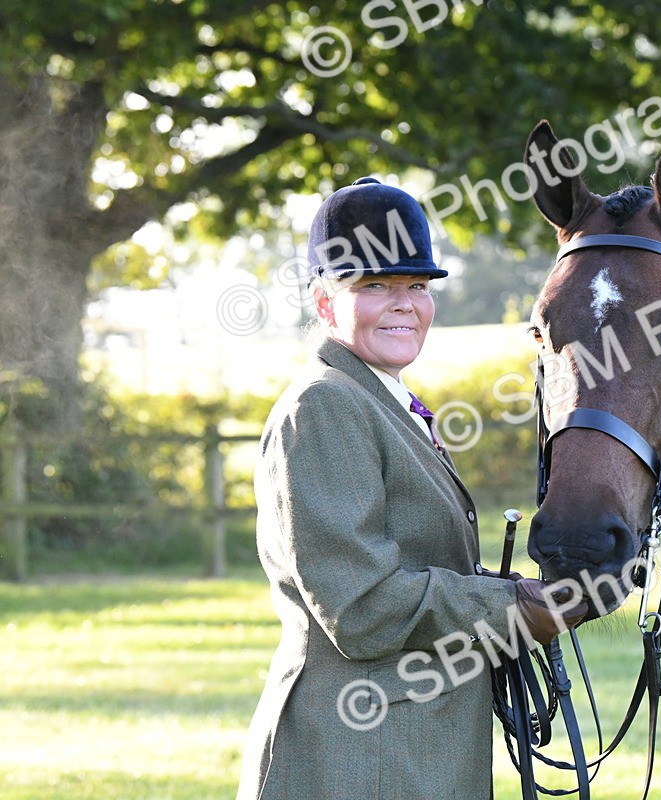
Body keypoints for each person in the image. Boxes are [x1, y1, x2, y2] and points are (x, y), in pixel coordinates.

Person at [237, 177, 585, 800]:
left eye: (417, 287)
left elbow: (418, 563)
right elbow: (363, 608)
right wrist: (513, 608)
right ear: (324, 303)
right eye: (374, 287)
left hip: (407, 749)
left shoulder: (379, 399)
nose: (404, 304)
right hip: (353, 758)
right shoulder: (324, 408)